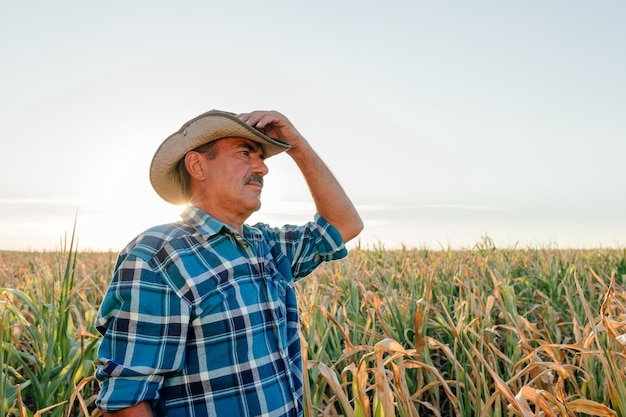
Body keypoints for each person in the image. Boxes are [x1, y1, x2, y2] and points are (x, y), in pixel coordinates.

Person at [94, 109, 363, 417]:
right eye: (245, 152)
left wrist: (298, 147)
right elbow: (128, 401)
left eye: (261, 157)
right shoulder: (160, 255)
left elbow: (344, 224)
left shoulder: (267, 246)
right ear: (197, 165)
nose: (262, 168)